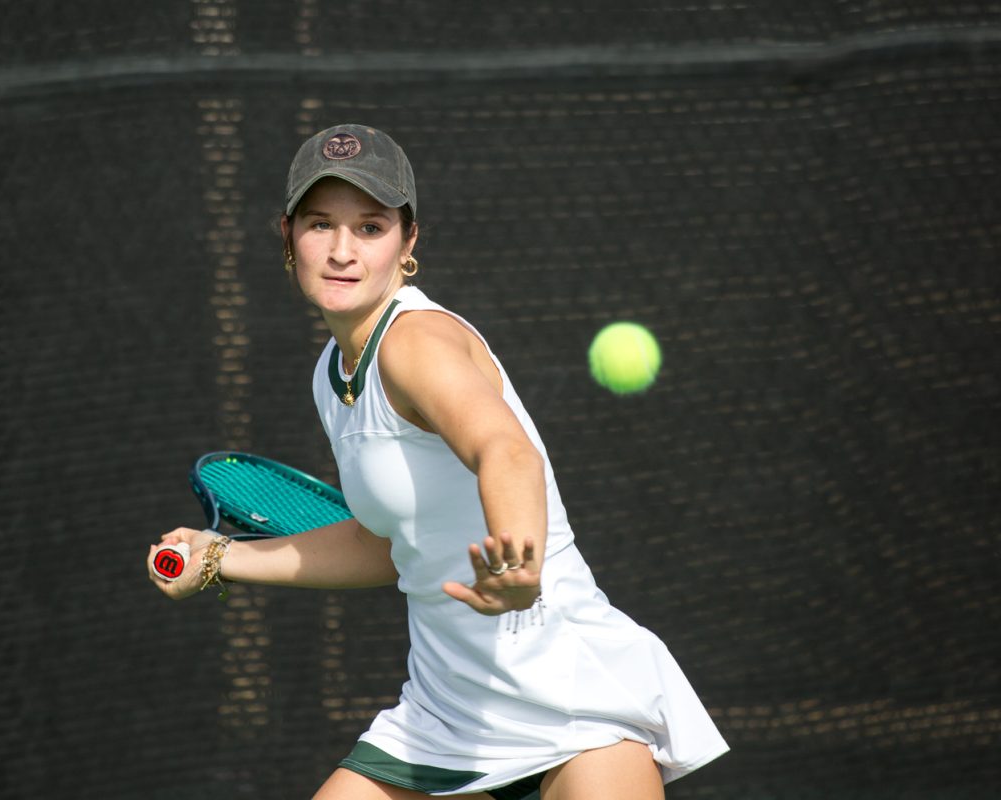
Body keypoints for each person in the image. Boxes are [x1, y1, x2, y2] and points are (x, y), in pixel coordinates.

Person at [148, 123, 729, 799]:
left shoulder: (414, 342)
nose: (341, 250)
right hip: (446, 710)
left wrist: (520, 567)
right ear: (288, 237)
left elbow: (505, 449)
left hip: (570, 694)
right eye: (319, 225)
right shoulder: (332, 376)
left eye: (369, 227)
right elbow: (385, 541)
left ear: (408, 242)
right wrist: (221, 557)